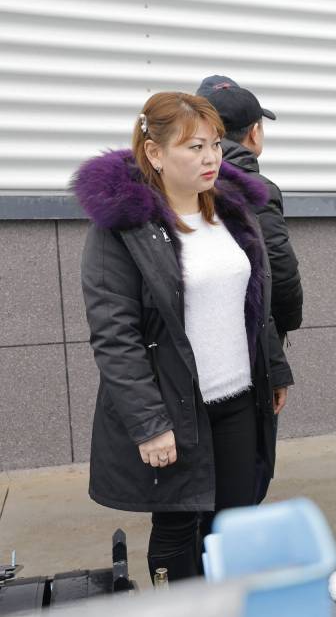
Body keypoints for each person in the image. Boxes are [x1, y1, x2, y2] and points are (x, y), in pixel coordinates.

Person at [73, 92, 293, 581]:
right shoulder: (124, 228)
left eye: (215, 143)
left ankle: (229, 614)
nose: (212, 157)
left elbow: (253, 302)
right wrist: (149, 424)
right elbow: (115, 335)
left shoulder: (232, 211)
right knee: (178, 528)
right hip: (175, 409)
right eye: (194, 147)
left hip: (238, 399)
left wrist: (274, 367)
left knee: (235, 526)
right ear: (155, 153)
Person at [196, 75, 303, 343]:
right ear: (254, 132)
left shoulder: (181, 180)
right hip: (249, 327)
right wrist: (285, 323)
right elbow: (278, 264)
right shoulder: (256, 189)